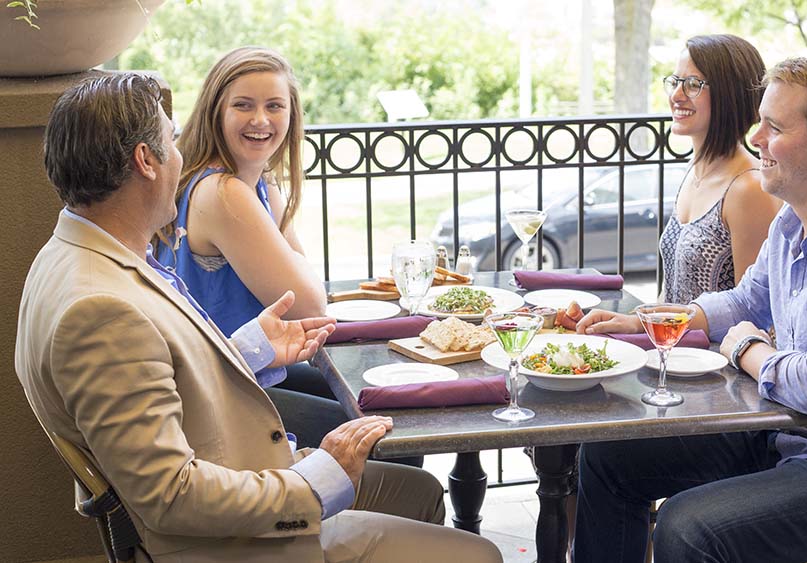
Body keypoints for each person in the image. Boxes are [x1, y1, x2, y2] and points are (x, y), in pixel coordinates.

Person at [15, 73, 501, 563]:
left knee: (418, 491)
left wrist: (250, 348)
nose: (181, 156)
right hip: (231, 543)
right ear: (145, 161)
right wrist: (319, 480)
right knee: (480, 554)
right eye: (172, 139)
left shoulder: (73, 254)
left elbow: (159, 370)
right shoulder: (100, 312)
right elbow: (171, 496)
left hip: (240, 473)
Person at [571, 57, 807, 563]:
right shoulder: (796, 216)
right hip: (793, 434)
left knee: (688, 527)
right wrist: (652, 320)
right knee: (607, 456)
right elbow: (746, 302)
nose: (755, 137)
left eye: (773, 126)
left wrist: (745, 347)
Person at [153, 46, 367, 453]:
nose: (260, 120)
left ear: (291, 115)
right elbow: (310, 304)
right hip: (218, 396)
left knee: (369, 398)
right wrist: (301, 275)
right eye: (243, 106)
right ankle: (322, 513)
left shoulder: (256, 182)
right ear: (216, 111)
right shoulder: (222, 192)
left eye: (274, 106)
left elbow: (303, 280)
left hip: (244, 371)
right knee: (380, 428)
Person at [659, 34, 781, 303]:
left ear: (729, 95)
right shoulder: (693, 171)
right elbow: (667, 296)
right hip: (671, 341)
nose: (677, 96)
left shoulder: (748, 189)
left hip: (713, 345)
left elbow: (752, 310)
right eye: (675, 82)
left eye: (693, 84)